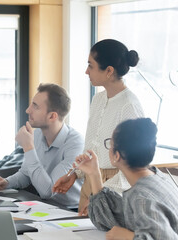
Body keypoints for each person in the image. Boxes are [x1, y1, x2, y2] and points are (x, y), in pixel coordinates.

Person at [53, 39, 144, 214]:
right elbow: (91, 147)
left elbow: (134, 165)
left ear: (109, 71)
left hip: (115, 188)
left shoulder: (129, 106)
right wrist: (75, 174)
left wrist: (101, 194)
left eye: (90, 65)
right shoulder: (98, 99)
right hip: (90, 180)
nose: (86, 71)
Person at [75, 118, 178, 239]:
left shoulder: (141, 197)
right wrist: (94, 174)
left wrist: (128, 237)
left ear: (116, 156)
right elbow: (112, 218)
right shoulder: (158, 178)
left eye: (110, 144)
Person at [0, 83, 84, 208]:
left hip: (70, 211)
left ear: (52, 116)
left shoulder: (75, 143)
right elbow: (25, 174)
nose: (28, 110)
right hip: (44, 207)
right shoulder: (38, 134)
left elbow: (48, 191)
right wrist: (6, 182)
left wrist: (28, 147)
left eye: (35, 106)